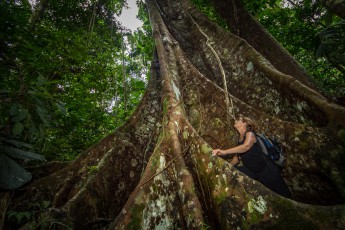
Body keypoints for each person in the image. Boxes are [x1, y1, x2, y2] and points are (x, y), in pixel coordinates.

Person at [212, 116, 291, 198]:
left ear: (244, 123)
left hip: (266, 169)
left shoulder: (250, 134)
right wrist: (229, 166)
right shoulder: (239, 138)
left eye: (238, 119)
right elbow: (238, 157)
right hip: (252, 170)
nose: (235, 120)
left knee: (283, 194)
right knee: (234, 172)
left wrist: (224, 151)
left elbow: (246, 147)